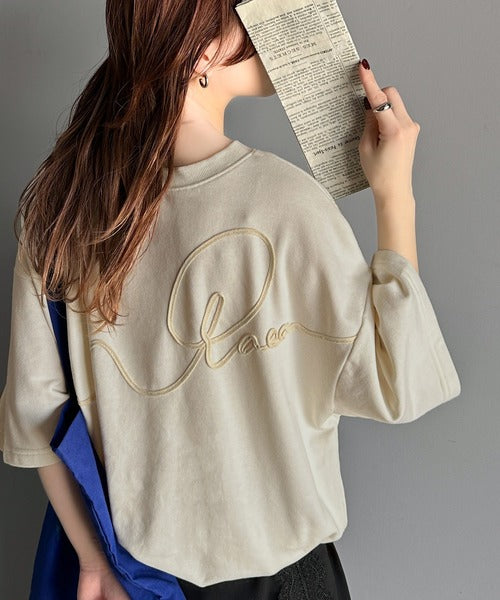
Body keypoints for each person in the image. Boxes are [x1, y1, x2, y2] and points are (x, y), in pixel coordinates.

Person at [0, 1, 461, 599]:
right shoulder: (286, 204)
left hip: (142, 583)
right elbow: (398, 381)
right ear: (201, 51)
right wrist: (395, 193)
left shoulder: (60, 212)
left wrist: (94, 561)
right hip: (287, 584)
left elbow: (34, 416)